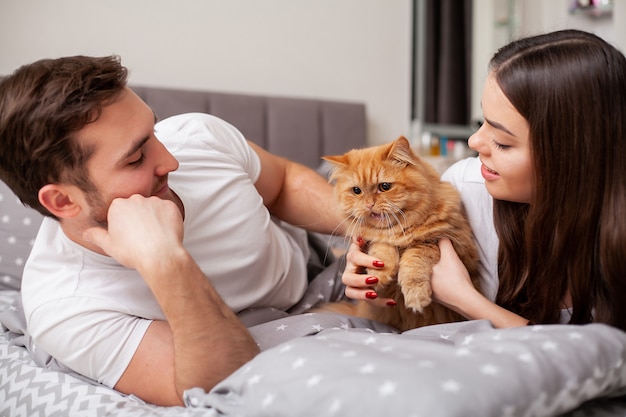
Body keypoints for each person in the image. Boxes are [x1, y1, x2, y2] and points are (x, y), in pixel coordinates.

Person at [0, 56, 345, 406]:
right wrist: (164, 261)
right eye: (135, 159)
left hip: (312, 260)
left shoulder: (197, 135)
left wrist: (368, 227)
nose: (171, 160)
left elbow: (283, 182)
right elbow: (227, 383)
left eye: (154, 131)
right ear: (62, 201)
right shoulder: (65, 309)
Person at [343, 29, 626, 332]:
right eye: (482, 123)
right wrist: (373, 272)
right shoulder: (466, 187)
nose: (475, 142)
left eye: (502, 141)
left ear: (572, 156)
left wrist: (466, 300)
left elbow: (584, 358)